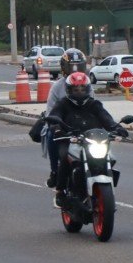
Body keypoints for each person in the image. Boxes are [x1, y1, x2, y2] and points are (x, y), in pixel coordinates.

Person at [47, 72, 128, 208]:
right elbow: (55, 116)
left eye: (82, 89)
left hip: (93, 140)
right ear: (69, 90)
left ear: (88, 89)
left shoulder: (94, 104)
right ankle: (60, 192)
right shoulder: (63, 104)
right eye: (76, 90)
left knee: (109, 158)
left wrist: (117, 128)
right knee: (64, 156)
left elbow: (106, 118)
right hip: (70, 139)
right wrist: (56, 128)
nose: (79, 92)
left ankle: (103, 192)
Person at [41, 48, 92, 188]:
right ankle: (55, 171)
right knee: (51, 135)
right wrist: (56, 126)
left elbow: (97, 108)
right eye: (71, 67)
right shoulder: (57, 87)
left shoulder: (88, 85)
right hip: (62, 126)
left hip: (83, 124)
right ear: (64, 68)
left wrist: (111, 126)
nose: (75, 71)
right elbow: (51, 112)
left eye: (79, 67)